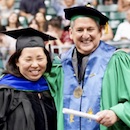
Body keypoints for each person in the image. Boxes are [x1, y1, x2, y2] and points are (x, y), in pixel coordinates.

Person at [60, 4, 130, 130]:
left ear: (100, 31)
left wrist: (117, 113)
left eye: (90, 29)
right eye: (80, 30)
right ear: (71, 33)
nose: (85, 35)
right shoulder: (61, 64)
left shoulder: (117, 60)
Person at [0, 27, 63, 130]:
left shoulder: (51, 87)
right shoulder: (5, 91)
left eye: (40, 58)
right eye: (28, 59)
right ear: (17, 61)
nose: (35, 65)